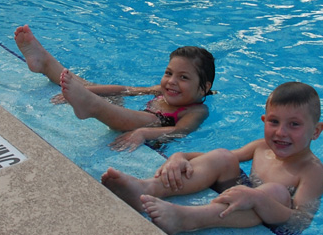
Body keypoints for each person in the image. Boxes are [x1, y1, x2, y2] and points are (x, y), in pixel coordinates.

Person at [101, 82, 323, 235]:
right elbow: (213, 159)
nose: (281, 133)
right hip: (241, 199)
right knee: (223, 156)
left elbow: (299, 222)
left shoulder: (312, 172)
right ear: (263, 120)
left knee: (276, 191)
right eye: (274, 122)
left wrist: (258, 200)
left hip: (269, 218)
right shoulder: (262, 146)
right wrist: (181, 156)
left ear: (316, 131)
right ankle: (146, 188)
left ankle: (189, 218)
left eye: (294, 125)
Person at [14, 25, 215, 151]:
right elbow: (125, 90)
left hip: (153, 132)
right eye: (169, 73)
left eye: (183, 77)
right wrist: (88, 90)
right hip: (129, 117)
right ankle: (46, 63)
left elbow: (180, 131)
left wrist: (144, 133)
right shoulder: (162, 90)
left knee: (151, 119)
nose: (171, 81)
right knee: (102, 89)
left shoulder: (197, 110)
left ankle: (91, 106)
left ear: (204, 87)